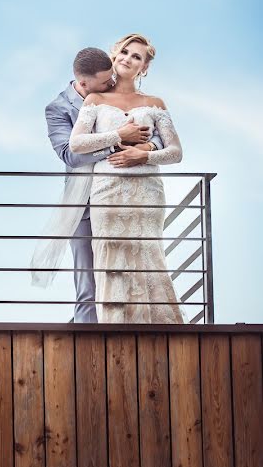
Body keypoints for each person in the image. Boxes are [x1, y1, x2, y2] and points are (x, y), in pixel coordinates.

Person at [38, 33, 184, 323]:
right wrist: (119, 140)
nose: (128, 59)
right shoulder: (76, 103)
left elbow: (170, 147)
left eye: (137, 57)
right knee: (94, 275)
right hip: (92, 193)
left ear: (144, 67)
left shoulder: (153, 103)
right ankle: (99, 340)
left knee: (147, 260)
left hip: (146, 191)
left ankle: (155, 332)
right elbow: (71, 150)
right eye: (125, 53)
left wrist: (146, 152)